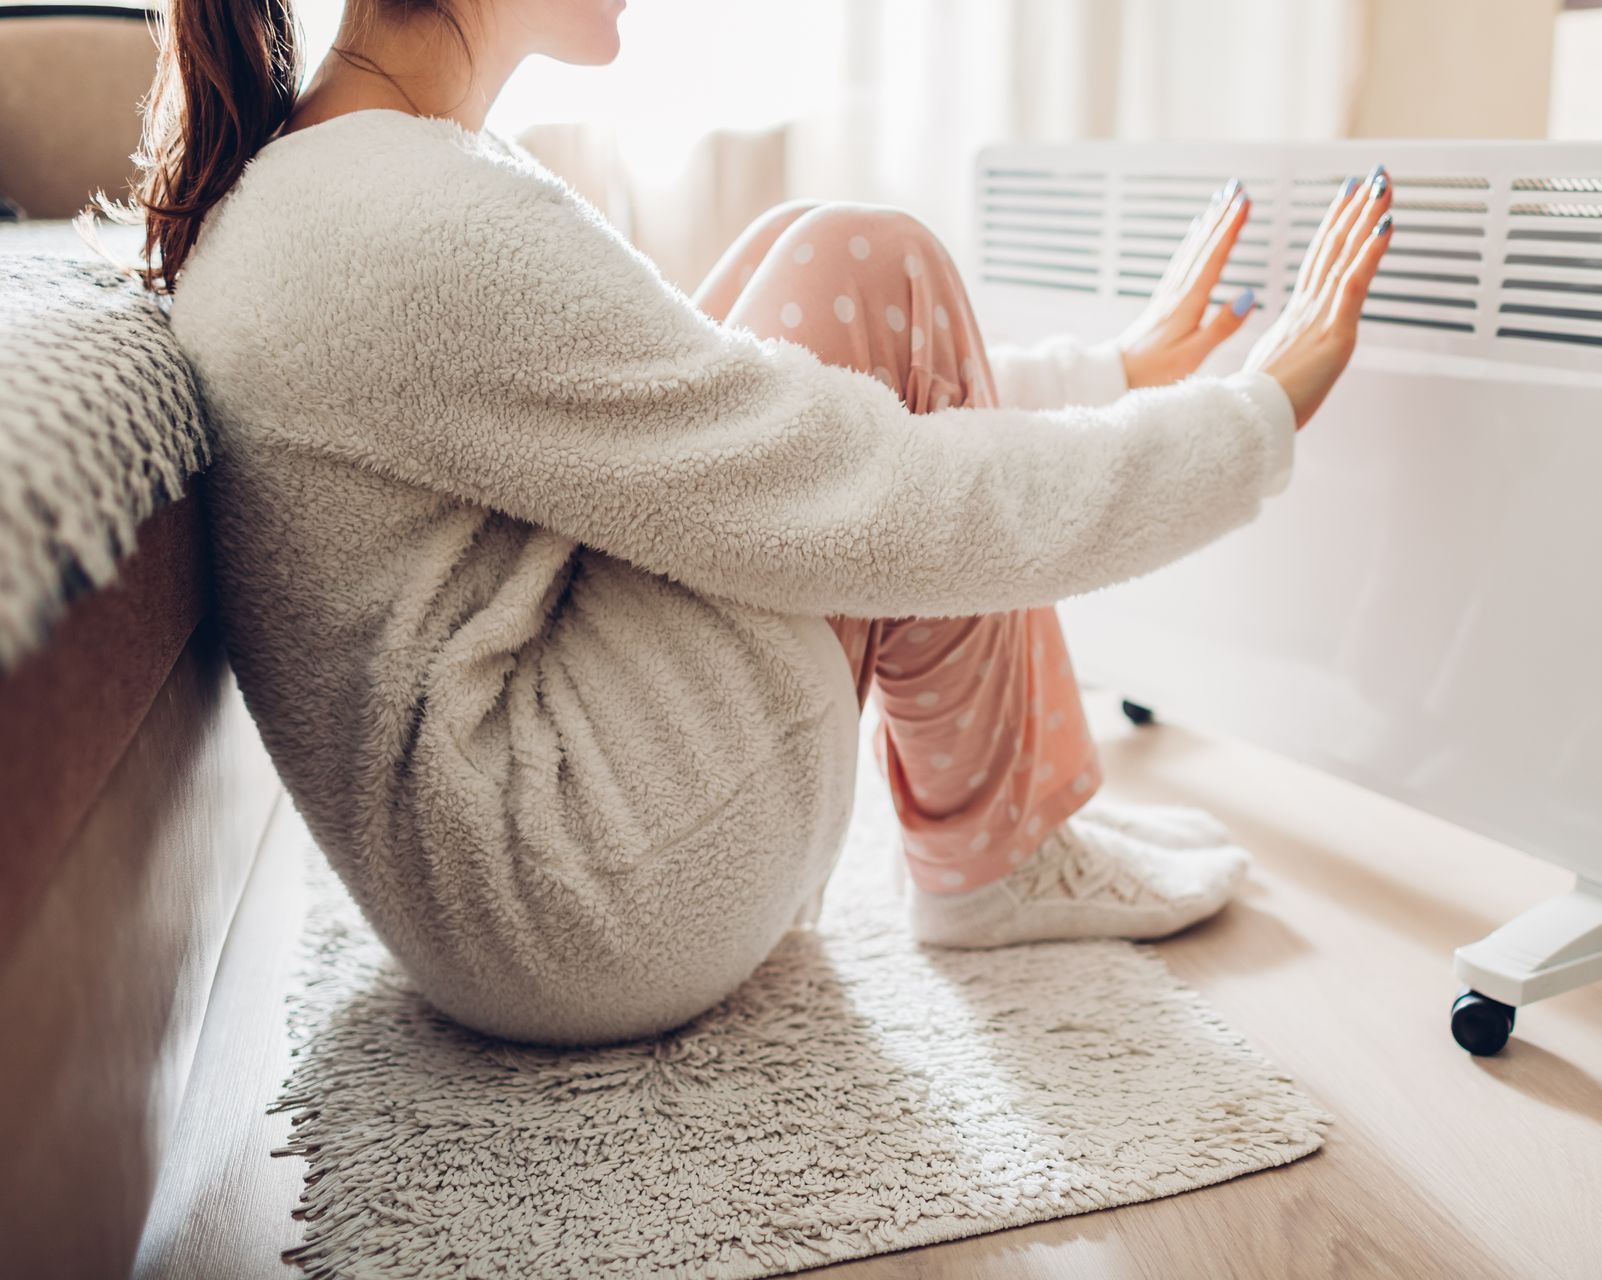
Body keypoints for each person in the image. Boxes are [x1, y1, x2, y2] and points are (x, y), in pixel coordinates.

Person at [135, 0, 1394, 1045]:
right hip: (595, 900)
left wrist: (1110, 375)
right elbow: (861, 494)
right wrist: (1248, 423)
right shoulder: (419, 222)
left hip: (499, 892)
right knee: (867, 260)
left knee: (824, 260)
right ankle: (997, 852)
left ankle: (1006, 825)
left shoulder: (337, 181)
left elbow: (706, 413)